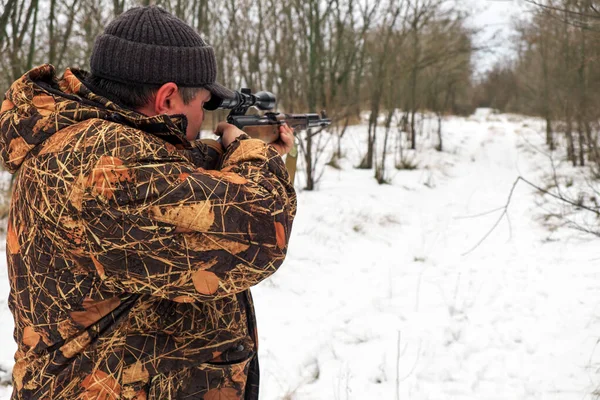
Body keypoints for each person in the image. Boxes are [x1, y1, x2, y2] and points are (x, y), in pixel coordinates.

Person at [0, 6, 296, 399]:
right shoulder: (106, 164)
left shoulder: (84, 142)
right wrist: (249, 150)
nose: (204, 121)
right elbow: (261, 230)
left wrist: (246, 156)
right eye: (205, 106)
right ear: (169, 98)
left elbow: (177, 174)